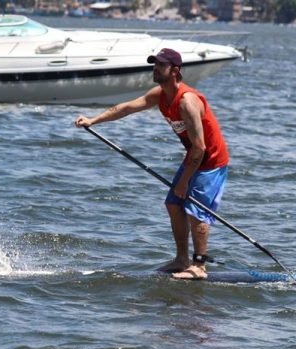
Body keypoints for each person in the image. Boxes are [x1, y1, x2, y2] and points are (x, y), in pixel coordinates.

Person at [74, 48, 230, 280]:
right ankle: (181, 260)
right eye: (154, 64)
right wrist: (93, 121)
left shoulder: (188, 102)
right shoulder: (160, 94)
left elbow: (200, 148)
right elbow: (126, 108)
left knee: (195, 211)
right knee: (173, 204)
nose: (155, 69)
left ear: (175, 71)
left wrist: (184, 182)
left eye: (161, 65)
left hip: (210, 162)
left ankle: (199, 267)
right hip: (194, 159)